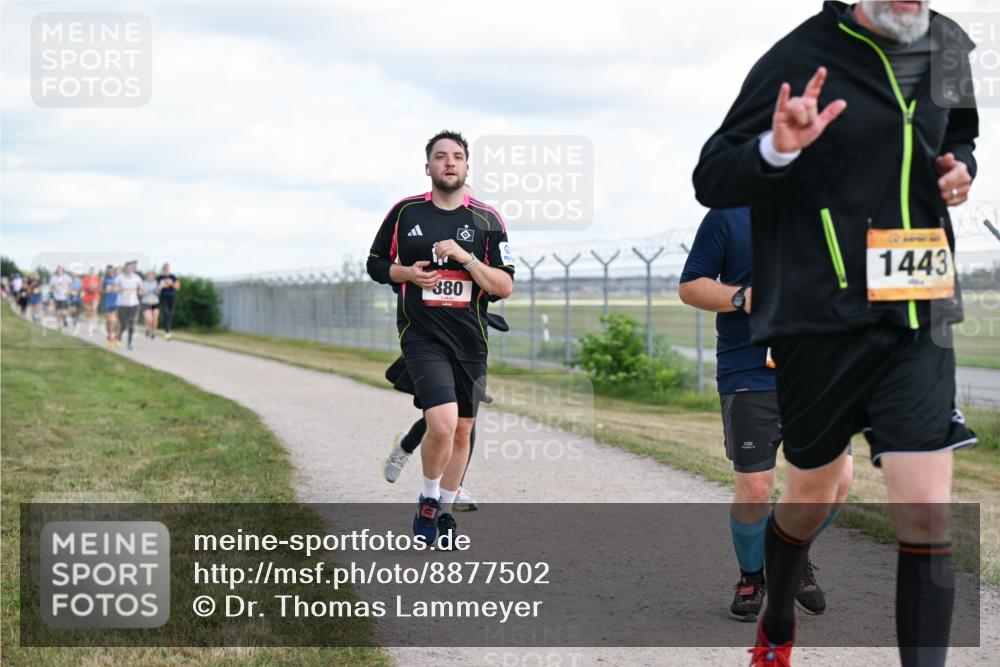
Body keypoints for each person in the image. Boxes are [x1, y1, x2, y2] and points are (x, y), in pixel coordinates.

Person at [692, 2, 979, 665]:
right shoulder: (800, 55)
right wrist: (776, 149)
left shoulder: (948, 45)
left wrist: (957, 167)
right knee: (811, 493)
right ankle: (778, 616)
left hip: (918, 312)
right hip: (819, 322)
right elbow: (712, 173)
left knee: (928, 503)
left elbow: (959, 131)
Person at [679, 207, 854, 622]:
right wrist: (743, 297)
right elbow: (690, 287)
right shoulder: (728, 213)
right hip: (751, 372)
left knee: (837, 483)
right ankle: (752, 576)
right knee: (756, 487)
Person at [366, 130, 515, 546]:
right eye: (440, 156)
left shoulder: (487, 220)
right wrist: (408, 274)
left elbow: (504, 286)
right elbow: (376, 264)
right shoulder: (405, 213)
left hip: (470, 340)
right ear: (428, 166)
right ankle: (428, 498)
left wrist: (467, 259)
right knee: (444, 421)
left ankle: (446, 509)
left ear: (467, 167)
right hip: (422, 336)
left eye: (457, 157)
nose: (449, 162)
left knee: (464, 430)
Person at [382, 311, 510, 511]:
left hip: (468, 339)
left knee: (463, 421)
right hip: (431, 336)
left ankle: (454, 487)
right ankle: (407, 447)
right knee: (441, 417)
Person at [115, 261, 143, 351]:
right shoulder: (119, 277)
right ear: (125, 268)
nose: (129, 269)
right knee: (123, 324)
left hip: (134, 304)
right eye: (128, 268)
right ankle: (119, 337)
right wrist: (119, 289)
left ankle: (129, 343)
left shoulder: (137, 278)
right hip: (122, 304)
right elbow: (114, 287)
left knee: (132, 324)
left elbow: (142, 289)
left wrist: (141, 291)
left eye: (131, 268)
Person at [157, 263, 180, 340]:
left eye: (167, 269)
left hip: (172, 297)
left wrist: (171, 284)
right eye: (164, 269)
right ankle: (167, 331)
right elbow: (157, 290)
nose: (166, 270)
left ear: (169, 269)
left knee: (170, 314)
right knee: (166, 313)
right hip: (163, 297)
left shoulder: (173, 277)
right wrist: (160, 287)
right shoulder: (160, 278)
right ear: (163, 269)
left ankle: (168, 330)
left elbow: (177, 287)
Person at [102, 265, 120, 347]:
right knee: (109, 321)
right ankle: (109, 335)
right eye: (109, 270)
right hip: (108, 302)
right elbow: (100, 289)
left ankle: (115, 336)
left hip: (118, 302)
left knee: (116, 320)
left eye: (112, 270)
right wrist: (106, 290)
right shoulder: (104, 278)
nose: (110, 271)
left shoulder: (119, 278)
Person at [81, 267, 102, 336]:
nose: (92, 272)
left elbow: (99, 286)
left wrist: (95, 287)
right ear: (89, 272)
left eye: (93, 271)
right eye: (91, 271)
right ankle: (90, 324)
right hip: (87, 296)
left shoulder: (97, 278)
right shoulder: (86, 278)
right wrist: (89, 287)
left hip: (95, 296)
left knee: (94, 309)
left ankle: (94, 325)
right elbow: (83, 287)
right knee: (89, 311)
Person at [141, 271, 160, 338]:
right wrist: (143, 292)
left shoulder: (157, 283)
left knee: (155, 318)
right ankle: (148, 328)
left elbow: (158, 293)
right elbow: (140, 293)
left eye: (151, 275)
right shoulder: (143, 283)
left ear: (154, 276)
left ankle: (153, 332)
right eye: (149, 275)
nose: (150, 276)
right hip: (146, 303)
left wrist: (158, 290)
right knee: (149, 319)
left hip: (155, 302)